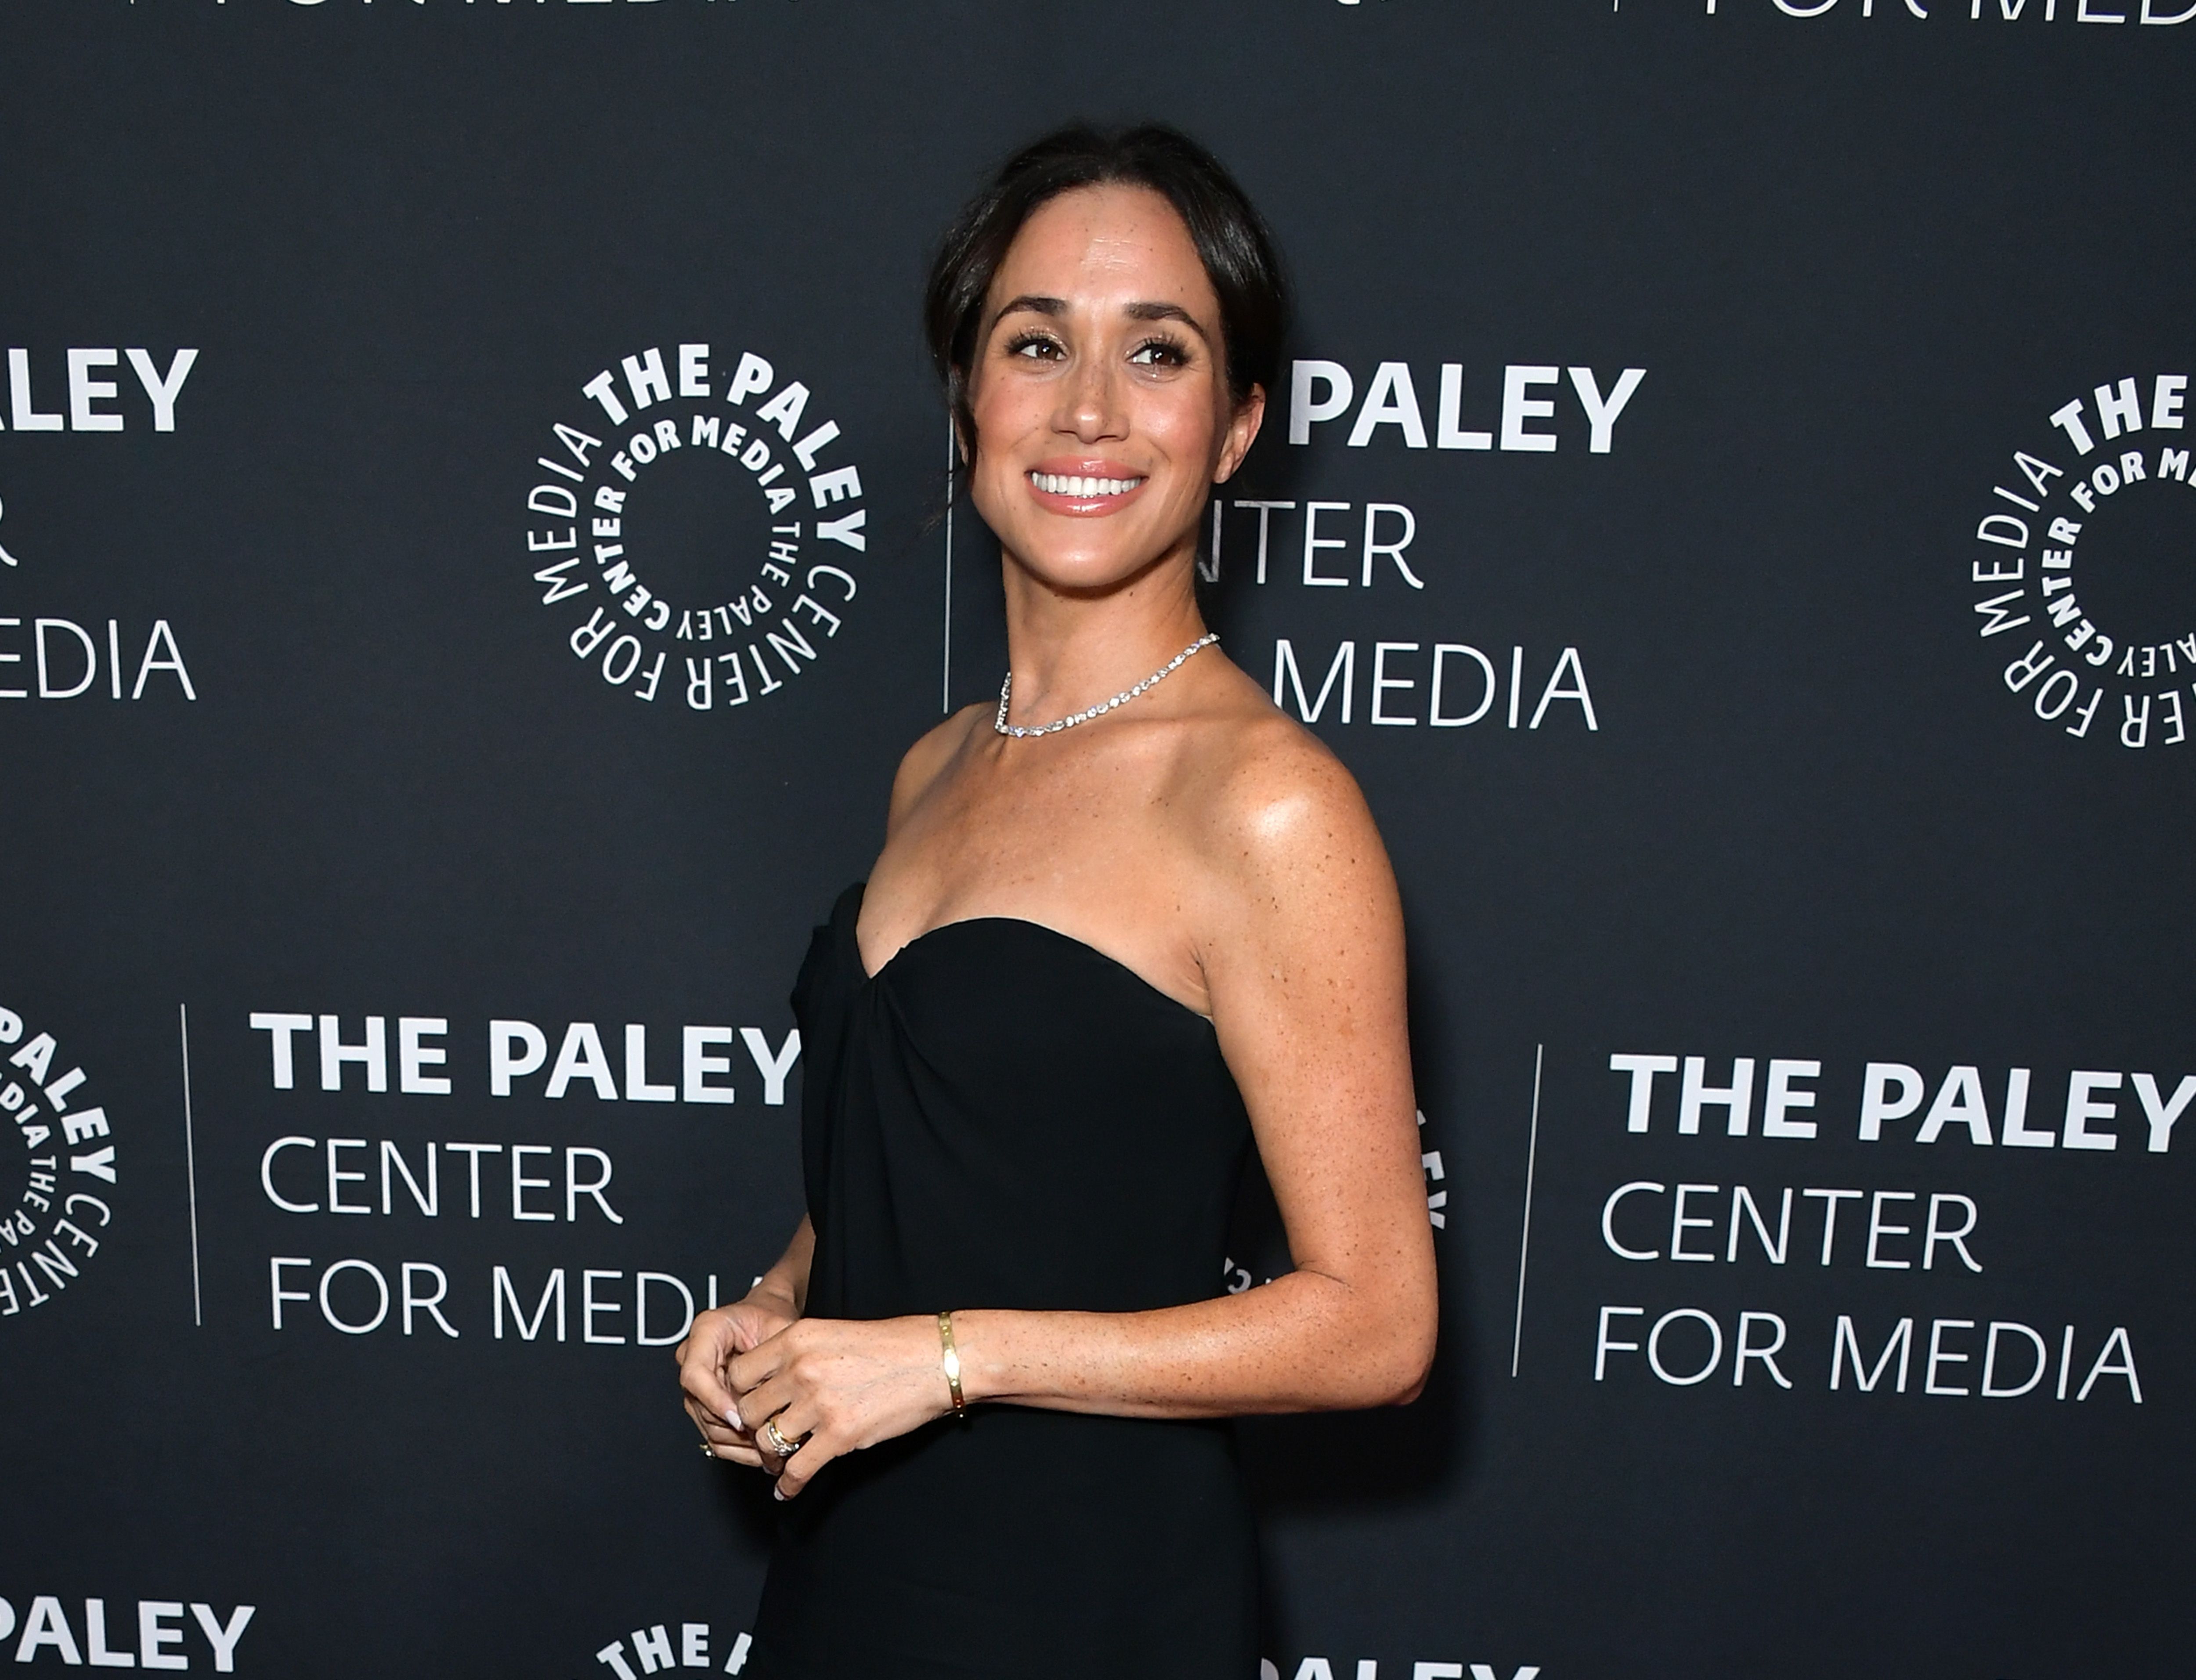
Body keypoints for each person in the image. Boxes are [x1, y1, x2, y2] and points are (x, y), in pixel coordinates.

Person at [677, 123, 1438, 1679]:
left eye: (1158, 352)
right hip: (853, 1573)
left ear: (1238, 425)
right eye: (1037, 342)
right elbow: (954, 1159)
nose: (1090, 406)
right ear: (970, 395)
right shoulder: (941, 761)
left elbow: (1376, 1325)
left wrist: (952, 1360)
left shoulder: (1268, 804)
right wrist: (780, 1298)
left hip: (1088, 1602)